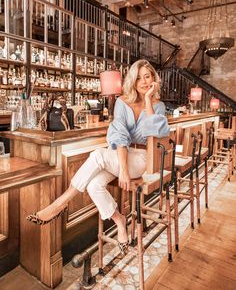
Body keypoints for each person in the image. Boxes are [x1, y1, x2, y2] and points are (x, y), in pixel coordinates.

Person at [27, 59, 170, 255]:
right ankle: (120, 220)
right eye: (138, 78)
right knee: (94, 184)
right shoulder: (121, 102)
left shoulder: (158, 105)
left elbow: (154, 133)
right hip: (122, 154)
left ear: (153, 78)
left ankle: (59, 204)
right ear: (133, 81)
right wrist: (123, 169)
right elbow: (119, 135)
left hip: (142, 157)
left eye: (147, 76)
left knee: (97, 154)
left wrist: (147, 101)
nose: (144, 82)